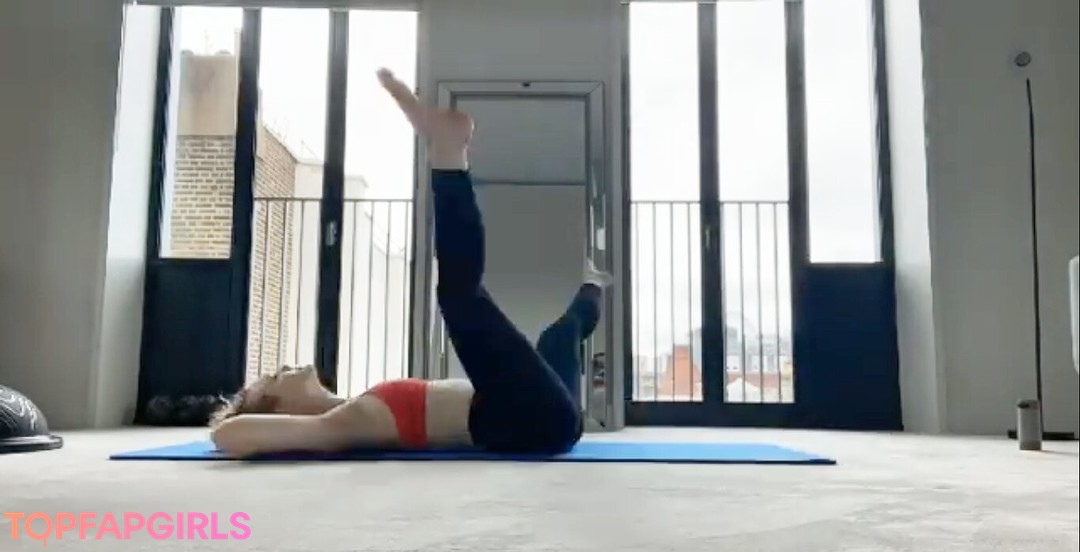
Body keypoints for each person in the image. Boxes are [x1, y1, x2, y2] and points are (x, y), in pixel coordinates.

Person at [209, 68, 613, 457]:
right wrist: (246, 421)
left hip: (547, 415)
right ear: (279, 410)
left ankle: (594, 284)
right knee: (458, 295)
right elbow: (227, 436)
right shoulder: (345, 424)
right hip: (533, 419)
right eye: (273, 379)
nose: (281, 367)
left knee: (557, 337)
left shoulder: (357, 406)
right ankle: (448, 154)